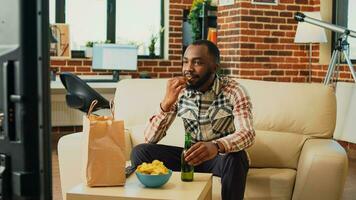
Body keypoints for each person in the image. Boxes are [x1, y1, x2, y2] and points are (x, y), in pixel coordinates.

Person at [131, 40, 255, 200]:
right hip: (189, 157)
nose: (188, 69)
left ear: (215, 67)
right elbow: (150, 138)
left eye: (197, 62)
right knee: (140, 152)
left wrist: (217, 146)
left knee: (237, 157)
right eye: (185, 62)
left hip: (219, 158)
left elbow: (247, 133)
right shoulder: (179, 92)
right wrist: (166, 104)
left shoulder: (234, 91)